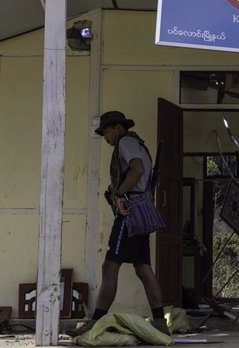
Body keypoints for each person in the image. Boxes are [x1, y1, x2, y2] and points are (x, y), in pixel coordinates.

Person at [68, 111, 168, 337]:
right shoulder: (137, 143)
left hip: (130, 212)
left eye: (106, 131)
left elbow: (138, 169)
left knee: (110, 266)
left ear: (117, 128)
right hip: (141, 209)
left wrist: (119, 193)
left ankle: (95, 323)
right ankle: (160, 322)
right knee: (143, 268)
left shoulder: (126, 142)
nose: (105, 137)